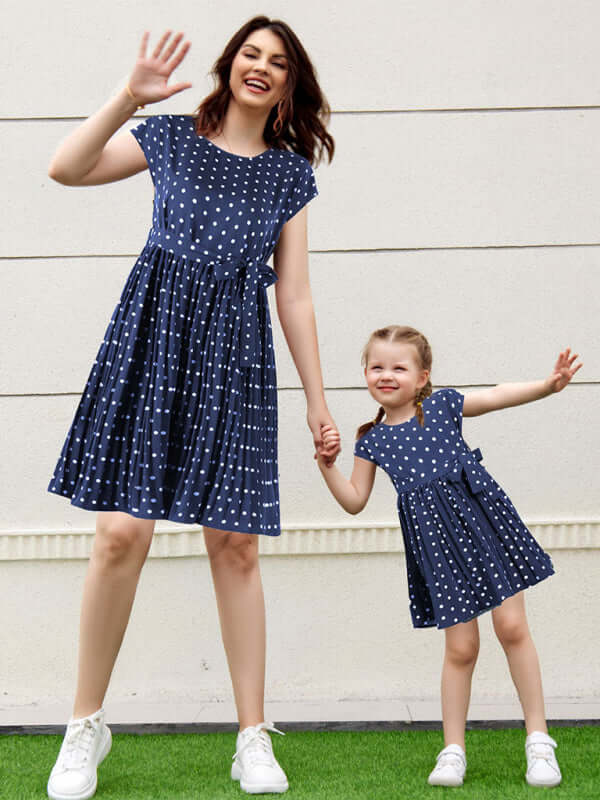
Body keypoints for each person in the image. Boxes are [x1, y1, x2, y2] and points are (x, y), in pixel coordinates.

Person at [46, 18, 339, 799]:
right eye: (251, 53)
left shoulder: (289, 175)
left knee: (235, 545)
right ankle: (85, 726)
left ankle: (251, 735)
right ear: (229, 63)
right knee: (118, 534)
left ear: (288, 84)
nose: (262, 67)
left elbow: (297, 297)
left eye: (278, 63)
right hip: (152, 338)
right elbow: (65, 168)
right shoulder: (171, 138)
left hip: (235, 356)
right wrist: (126, 96)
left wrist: (317, 402)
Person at [316, 324, 582, 789]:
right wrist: (326, 466)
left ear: (422, 378)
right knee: (461, 647)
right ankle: (452, 750)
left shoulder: (442, 406)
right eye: (377, 366)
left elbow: (497, 396)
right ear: (364, 373)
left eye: (399, 367)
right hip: (438, 549)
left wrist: (547, 385)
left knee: (513, 627)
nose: (386, 374)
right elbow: (355, 499)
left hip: (483, 523)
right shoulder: (371, 440)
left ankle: (539, 741)